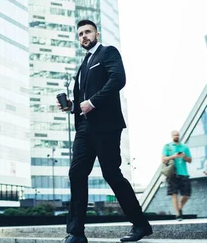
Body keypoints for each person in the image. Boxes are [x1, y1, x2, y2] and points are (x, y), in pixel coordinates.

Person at [57, 20, 152, 243]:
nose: (84, 36)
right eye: (80, 33)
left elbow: (118, 79)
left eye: (87, 31)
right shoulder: (83, 65)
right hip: (83, 127)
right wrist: (71, 106)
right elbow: (82, 101)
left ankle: (140, 225)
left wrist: (93, 102)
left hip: (106, 125)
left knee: (112, 174)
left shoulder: (108, 52)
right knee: (76, 173)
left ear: (96, 33)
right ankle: (76, 233)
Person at [161, 130, 192, 221]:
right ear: (171, 136)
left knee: (186, 195)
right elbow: (163, 160)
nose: (176, 136)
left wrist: (184, 156)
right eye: (175, 135)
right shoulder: (167, 146)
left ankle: (179, 207)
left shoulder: (185, 147)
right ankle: (178, 214)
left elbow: (190, 160)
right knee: (174, 194)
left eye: (177, 135)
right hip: (173, 173)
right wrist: (173, 156)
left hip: (184, 173)